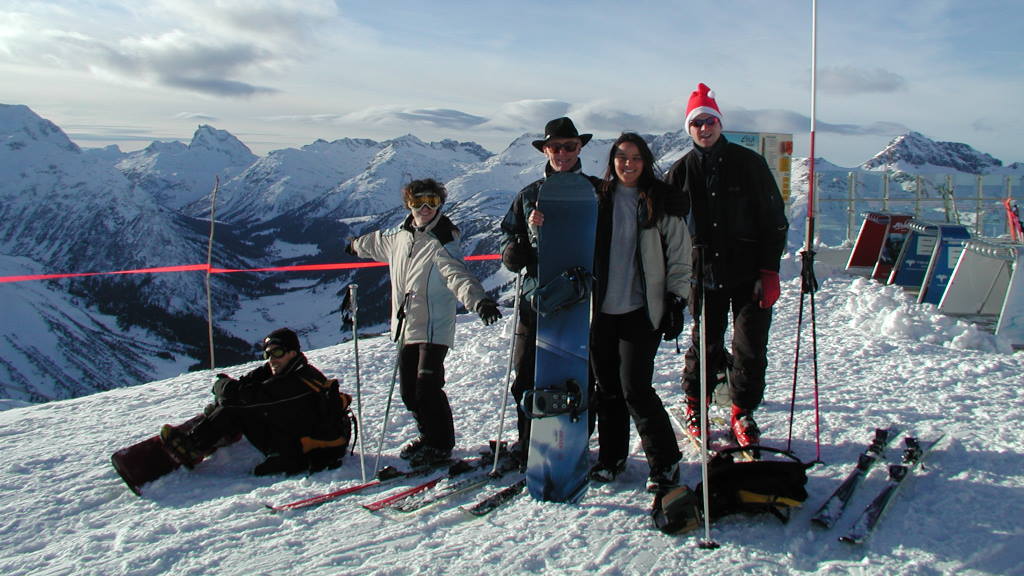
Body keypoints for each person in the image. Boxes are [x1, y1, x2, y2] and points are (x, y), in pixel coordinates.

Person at [665, 83, 789, 448]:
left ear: (720, 123)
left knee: (750, 347)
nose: (704, 129)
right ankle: (695, 405)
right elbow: (664, 231)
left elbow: (774, 219)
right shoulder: (680, 173)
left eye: (710, 121)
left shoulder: (750, 164)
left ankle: (741, 411)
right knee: (705, 345)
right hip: (703, 276)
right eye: (697, 123)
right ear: (689, 129)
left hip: (748, 273)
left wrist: (769, 270)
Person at [346, 178, 501, 467]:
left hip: (434, 325)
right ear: (408, 204)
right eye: (418, 202)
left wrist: (478, 300)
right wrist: (355, 246)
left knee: (426, 388)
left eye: (432, 201)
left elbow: (457, 274)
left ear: (440, 203)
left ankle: (441, 445)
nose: (425, 207)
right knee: (408, 393)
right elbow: (376, 243)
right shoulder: (400, 235)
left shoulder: (443, 238)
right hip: (407, 326)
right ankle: (428, 436)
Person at [588, 132, 693, 492]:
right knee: (607, 389)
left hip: (640, 310)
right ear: (612, 161)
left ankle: (665, 461)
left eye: (635, 158)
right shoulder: (599, 200)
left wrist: (677, 299)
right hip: (600, 312)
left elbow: (680, 257)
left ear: (645, 162)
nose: (627, 164)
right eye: (621, 157)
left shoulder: (659, 202)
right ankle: (612, 457)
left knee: (635, 388)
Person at [499, 116, 599, 466]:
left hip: (585, 301)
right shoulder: (528, 196)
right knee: (527, 373)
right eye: (555, 147)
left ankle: (576, 440)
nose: (562, 153)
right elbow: (508, 237)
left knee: (582, 373)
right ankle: (527, 442)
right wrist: (515, 248)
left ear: (580, 147)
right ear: (545, 150)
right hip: (536, 299)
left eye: (569, 146)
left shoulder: (597, 190)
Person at [161, 327, 352, 476]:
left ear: (293, 353)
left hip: (299, 448)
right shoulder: (297, 370)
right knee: (234, 404)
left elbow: (237, 396)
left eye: (277, 353)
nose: (271, 359)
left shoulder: (293, 384)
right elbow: (247, 384)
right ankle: (213, 430)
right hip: (296, 431)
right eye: (267, 354)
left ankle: (192, 447)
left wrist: (220, 385)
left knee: (234, 408)